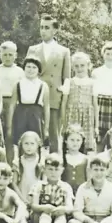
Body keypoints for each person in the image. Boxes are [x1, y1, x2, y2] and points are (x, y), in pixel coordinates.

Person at [27, 14, 71, 153]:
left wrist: (64, 95)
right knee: (33, 135)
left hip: (53, 96)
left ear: (54, 30)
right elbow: (27, 74)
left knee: (53, 135)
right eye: (41, 27)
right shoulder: (32, 49)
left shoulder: (64, 51)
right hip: (35, 97)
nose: (43, 31)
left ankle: (54, 166)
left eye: (47, 28)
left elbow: (67, 77)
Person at [30, 153, 74, 223]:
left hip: (59, 213)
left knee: (61, 217)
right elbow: (33, 205)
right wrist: (44, 207)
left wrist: (63, 209)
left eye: (56, 169)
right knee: (45, 215)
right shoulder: (38, 185)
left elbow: (70, 207)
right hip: (42, 214)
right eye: (50, 169)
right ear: (44, 169)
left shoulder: (66, 187)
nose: (53, 172)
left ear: (62, 170)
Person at [8, 56, 50, 151]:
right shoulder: (18, 84)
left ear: (38, 70)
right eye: (28, 67)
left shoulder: (43, 85)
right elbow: (12, 105)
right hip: (20, 116)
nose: (31, 70)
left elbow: (46, 107)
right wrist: (9, 126)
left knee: (36, 141)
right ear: (24, 68)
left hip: (36, 117)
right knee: (19, 141)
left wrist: (46, 128)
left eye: (34, 67)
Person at [61, 52, 99, 152]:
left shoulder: (93, 83)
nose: (79, 68)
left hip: (87, 118)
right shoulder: (69, 82)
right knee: (71, 143)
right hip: (72, 116)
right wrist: (63, 124)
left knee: (85, 146)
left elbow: (95, 105)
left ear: (88, 66)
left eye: (82, 65)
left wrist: (96, 126)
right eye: (76, 66)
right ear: (73, 67)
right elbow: (64, 103)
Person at [0, 41, 24, 163]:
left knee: (10, 133)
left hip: (14, 104)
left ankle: (11, 163)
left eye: (10, 55)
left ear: (15, 55)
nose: (7, 57)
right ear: (0, 55)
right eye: (5, 54)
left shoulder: (20, 71)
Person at [11, 131, 43, 205]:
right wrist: (22, 199)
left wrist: (36, 199)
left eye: (32, 144)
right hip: (22, 194)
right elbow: (14, 183)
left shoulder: (41, 162)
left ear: (38, 145)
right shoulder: (18, 162)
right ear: (21, 144)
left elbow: (44, 182)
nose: (29, 147)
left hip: (37, 196)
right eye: (26, 143)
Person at [61, 124, 89, 194]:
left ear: (82, 141)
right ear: (66, 141)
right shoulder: (62, 158)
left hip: (82, 193)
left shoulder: (86, 159)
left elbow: (88, 180)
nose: (75, 143)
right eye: (72, 140)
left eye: (78, 140)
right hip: (65, 193)